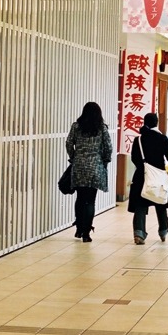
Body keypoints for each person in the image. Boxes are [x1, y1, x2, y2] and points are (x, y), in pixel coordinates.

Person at [128, 112, 168, 245]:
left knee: (140, 204)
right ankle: (163, 231)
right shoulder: (162, 138)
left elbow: (134, 158)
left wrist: (143, 167)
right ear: (156, 123)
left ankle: (139, 233)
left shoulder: (138, 140)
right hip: (158, 176)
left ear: (144, 123)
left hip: (142, 175)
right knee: (160, 202)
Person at [65, 101, 113, 243]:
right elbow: (108, 147)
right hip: (95, 167)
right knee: (90, 200)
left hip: (79, 166)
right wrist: (104, 160)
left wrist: (74, 156)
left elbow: (68, 143)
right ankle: (86, 233)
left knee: (80, 198)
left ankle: (79, 228)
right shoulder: (101, 128)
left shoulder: (76, 126)